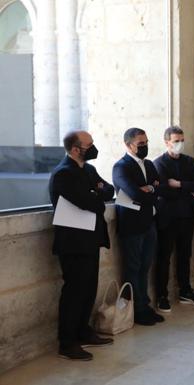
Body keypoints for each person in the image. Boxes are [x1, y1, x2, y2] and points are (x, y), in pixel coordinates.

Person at [49, 130, 114, 361]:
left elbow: (109, 190)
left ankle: (83, 331)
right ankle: (67, 343)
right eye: (89, 144)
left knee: (88, 289)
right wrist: (96, 192)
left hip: (90, 239)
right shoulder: (63, 174)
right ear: (76, 149)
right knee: (74, 292)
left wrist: (96, 191)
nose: (93, 147)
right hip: (73, 243)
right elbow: (91, 203)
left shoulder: (88, 169)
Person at [112, 128, 164, 326]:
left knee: (145, 267)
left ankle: (145, 304)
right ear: (128, 145)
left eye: (146, 142)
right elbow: (134, 193)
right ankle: (137, 310)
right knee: (132, 268)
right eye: (140, 144)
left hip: (149, 221)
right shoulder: (121, 167)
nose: (145, 146)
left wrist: (150, 188)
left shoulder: (149, 165)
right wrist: (151, 188)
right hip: (132, 224)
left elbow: (160, 188)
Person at [153, 126, 194, 312]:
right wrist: (186, 189)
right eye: (176, 141)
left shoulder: (189, 162)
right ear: (167, 142)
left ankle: (185, 290)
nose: (180, 144)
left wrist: (180, 184)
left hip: (187, 215)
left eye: (182, 140)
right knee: (164, 256)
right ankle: (162, 295)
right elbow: (163, 190)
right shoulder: (159, 163)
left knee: (185, 255)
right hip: (167, 216)